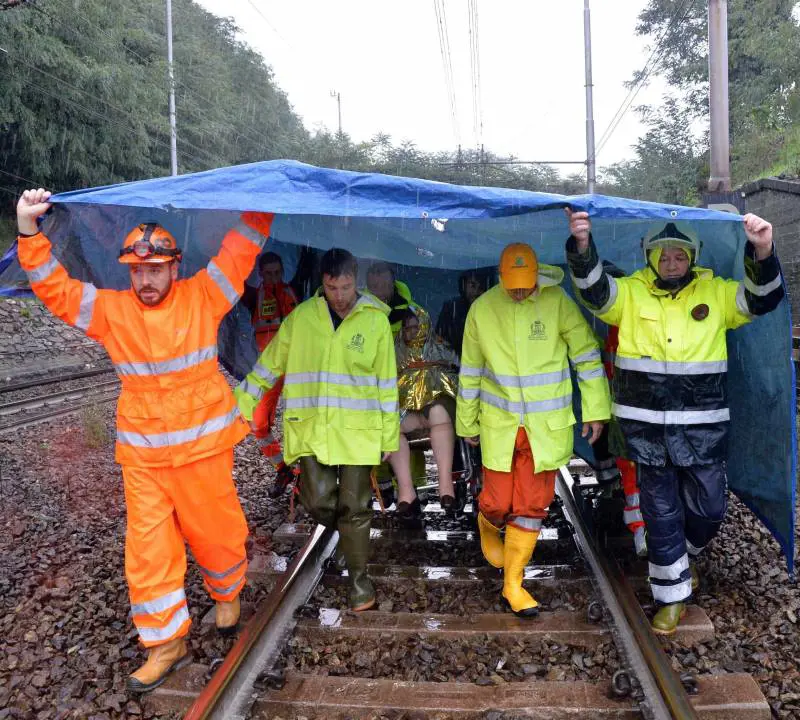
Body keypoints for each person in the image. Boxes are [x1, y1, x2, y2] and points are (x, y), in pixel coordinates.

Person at [16, 188, 274, 692]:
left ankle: (227, 594)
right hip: (144, 459)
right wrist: (28, 231)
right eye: (137, 271)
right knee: (148, 549)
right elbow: (55, 288)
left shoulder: (205, 295)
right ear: (127, 271)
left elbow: (240, 250)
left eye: (155, 269)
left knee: (216, 532)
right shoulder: (111, 311)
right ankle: (165, 644)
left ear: (173, 268)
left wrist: (263, 199)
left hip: (202, 450)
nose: (146, 279)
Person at [565, 209, 784, 635]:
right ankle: (671, 597)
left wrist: (763, 248)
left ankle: (679, 559)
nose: (670, 262)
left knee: (711, 506)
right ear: (650, 258)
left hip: (702, 426)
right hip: (645, 430)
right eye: (662, 255)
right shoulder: (630, 293)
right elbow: (595, 292)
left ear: (692, 256)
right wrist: (582, 246)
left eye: (679, 255)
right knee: (660, 512)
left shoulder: (716, 293)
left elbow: (761, 299)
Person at [235, 248, 399, 611]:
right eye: (331, 287)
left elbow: (387, 383)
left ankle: (359, 582)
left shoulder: (375, 322)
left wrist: (389, 434)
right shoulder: (302, 318)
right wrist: (239, 403)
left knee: (355, 506)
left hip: (358, 430)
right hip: (310, 427)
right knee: (319, 500)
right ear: (322, 284)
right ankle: (347, 536)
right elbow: (270, 362)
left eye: (345, 287)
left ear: (356, 281)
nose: (339, 296)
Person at [457, 242, 610, 618]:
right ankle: (487, 523)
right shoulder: (482, 309)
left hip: (545, 430)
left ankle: (513, 584)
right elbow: (471, 371)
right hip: (499, 427)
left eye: (526, 283)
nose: (520, 291)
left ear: (537, 275)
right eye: (513, 284)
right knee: (497, 502)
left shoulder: (557, 302)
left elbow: (587, 356)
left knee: (530, 507)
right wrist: (466, 421)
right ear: (500, 276)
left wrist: (596, 410)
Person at [388, 306, 460, 515]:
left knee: (439, 415)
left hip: (436, 405)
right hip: (405, 409)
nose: (412, 332)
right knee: (390, 426)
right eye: (407, 328)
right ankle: (405, 489)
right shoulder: (395, 348)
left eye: (416, 327)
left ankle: (445, 484)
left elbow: (456, 367)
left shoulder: (439, 345)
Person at [240, 251, 299, 495]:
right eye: (268, 273)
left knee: (298, 425)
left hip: (297, 370)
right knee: (257, 423)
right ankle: (284, 470)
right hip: (269, 373)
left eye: (277, 273)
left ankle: (305, 482)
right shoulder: (254, 297)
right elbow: (234, 281)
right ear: (260, 274)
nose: (273, 277)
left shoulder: (294, 291)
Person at [435, 269, 486, 356]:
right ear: (464, 286)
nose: (476, 292)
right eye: (473, 285)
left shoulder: (490, 309)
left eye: (481, 287)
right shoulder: (451, 307)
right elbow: (439, 340)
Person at [366, 260, 414, 337]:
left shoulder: (416, 315)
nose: (380, 292)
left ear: (393, 285)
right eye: (374, 286)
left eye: (385, 286)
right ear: (368, 288)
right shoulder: (356, 312)